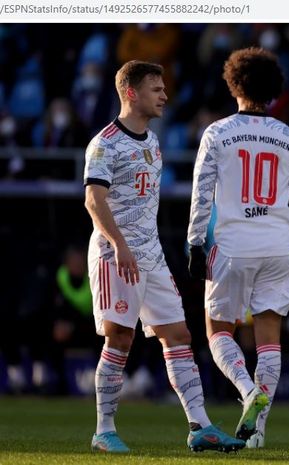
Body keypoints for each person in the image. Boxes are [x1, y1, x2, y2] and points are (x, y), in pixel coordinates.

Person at [83, 60, 244, 454]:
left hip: (151, 256)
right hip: (114, 254)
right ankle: (104, 430)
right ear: (132, 93)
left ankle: (200, 426)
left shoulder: (153, 142)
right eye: (156, 88)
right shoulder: (105, 143)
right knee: (120, 337)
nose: (164, 95)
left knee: (178, 335)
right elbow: (93, 199)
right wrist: (119, 244)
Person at [186, 47, 289, 449]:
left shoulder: (218, 132)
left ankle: (246, 390)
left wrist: (194, 242)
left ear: (233, 84)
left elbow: (201, 194)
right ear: (274, 90)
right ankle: (258, 433)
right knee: (269, 335)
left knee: (217, 329)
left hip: (233, 245)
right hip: (278, 246)